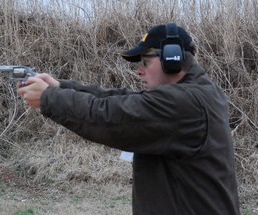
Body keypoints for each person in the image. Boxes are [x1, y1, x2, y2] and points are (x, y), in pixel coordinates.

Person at [17, 23, 240, 215]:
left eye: (145, 62)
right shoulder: (195, 93)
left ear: (173, 59)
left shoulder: (184, 103)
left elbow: (109, 116)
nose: (139, 71)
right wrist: (60, 87)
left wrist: (49, 98)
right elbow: (122, 99)